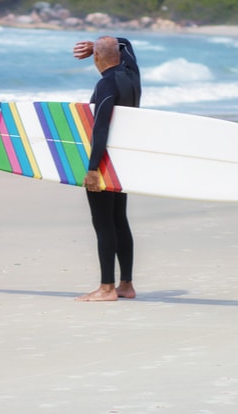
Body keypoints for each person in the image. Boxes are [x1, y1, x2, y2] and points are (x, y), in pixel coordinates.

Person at [72, 36, 141, 302]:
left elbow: (100, 127)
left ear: (97, 58)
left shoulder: (106, 84)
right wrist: (99, 45)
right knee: (119, 220)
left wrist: (93, 169)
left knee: (103, 223)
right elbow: (126, 44)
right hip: (124, 161)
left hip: (104, 161)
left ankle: (107, 288)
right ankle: (126, 285)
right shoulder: (132, 74)